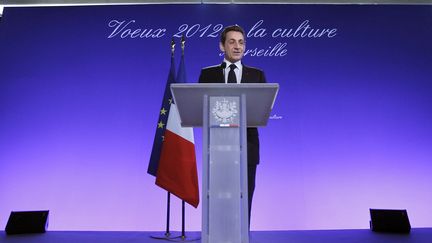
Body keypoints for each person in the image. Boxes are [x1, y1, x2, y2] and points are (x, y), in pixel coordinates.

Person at [198, 25, 267, 226]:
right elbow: (200, 108)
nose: (237, 46)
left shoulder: (257, 75)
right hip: (218, 148)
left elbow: (263, 109)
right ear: (222, 46)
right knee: (219, 198)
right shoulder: (208, 75)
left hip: (248, 146)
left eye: (241, 42)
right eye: (232, 42)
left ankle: (243, 235)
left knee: (245, 197)